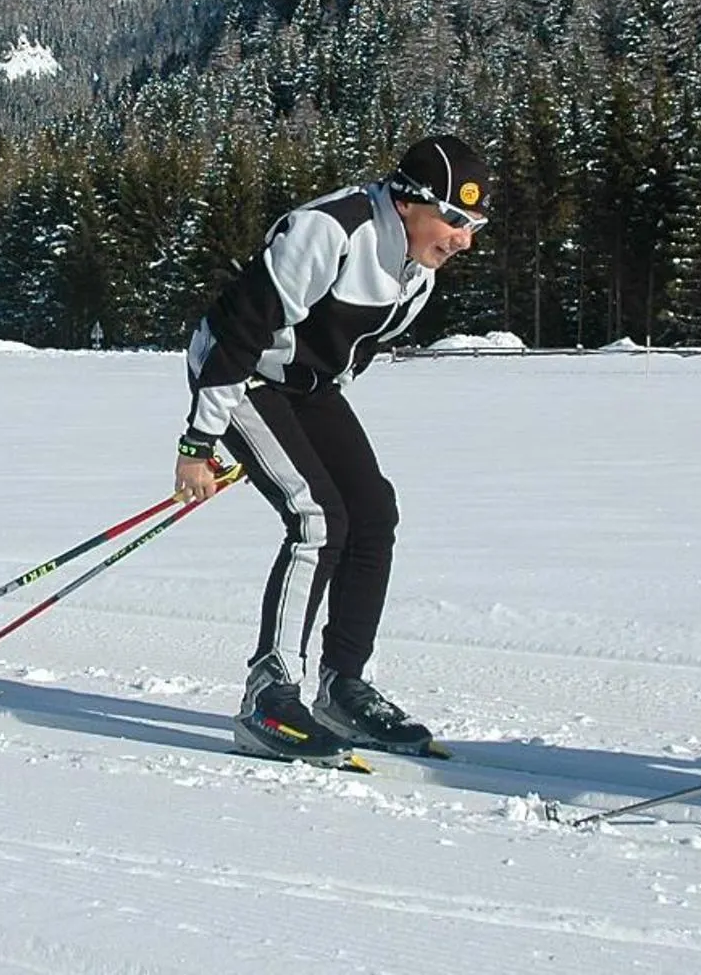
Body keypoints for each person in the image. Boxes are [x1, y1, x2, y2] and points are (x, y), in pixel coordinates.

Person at [171, 134, 491, 761]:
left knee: (372, 515)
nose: (463, 239)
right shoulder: (331, 231)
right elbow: (241, 331)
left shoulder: (417, 269)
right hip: (240, 372)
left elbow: (345, 352)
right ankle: (269, 695)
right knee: (316, 517)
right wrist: (200, 441)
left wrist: (298, 439)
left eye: (474, 226)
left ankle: (343, 688)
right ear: (407, 202)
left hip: (307, 386)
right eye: (454, 218)